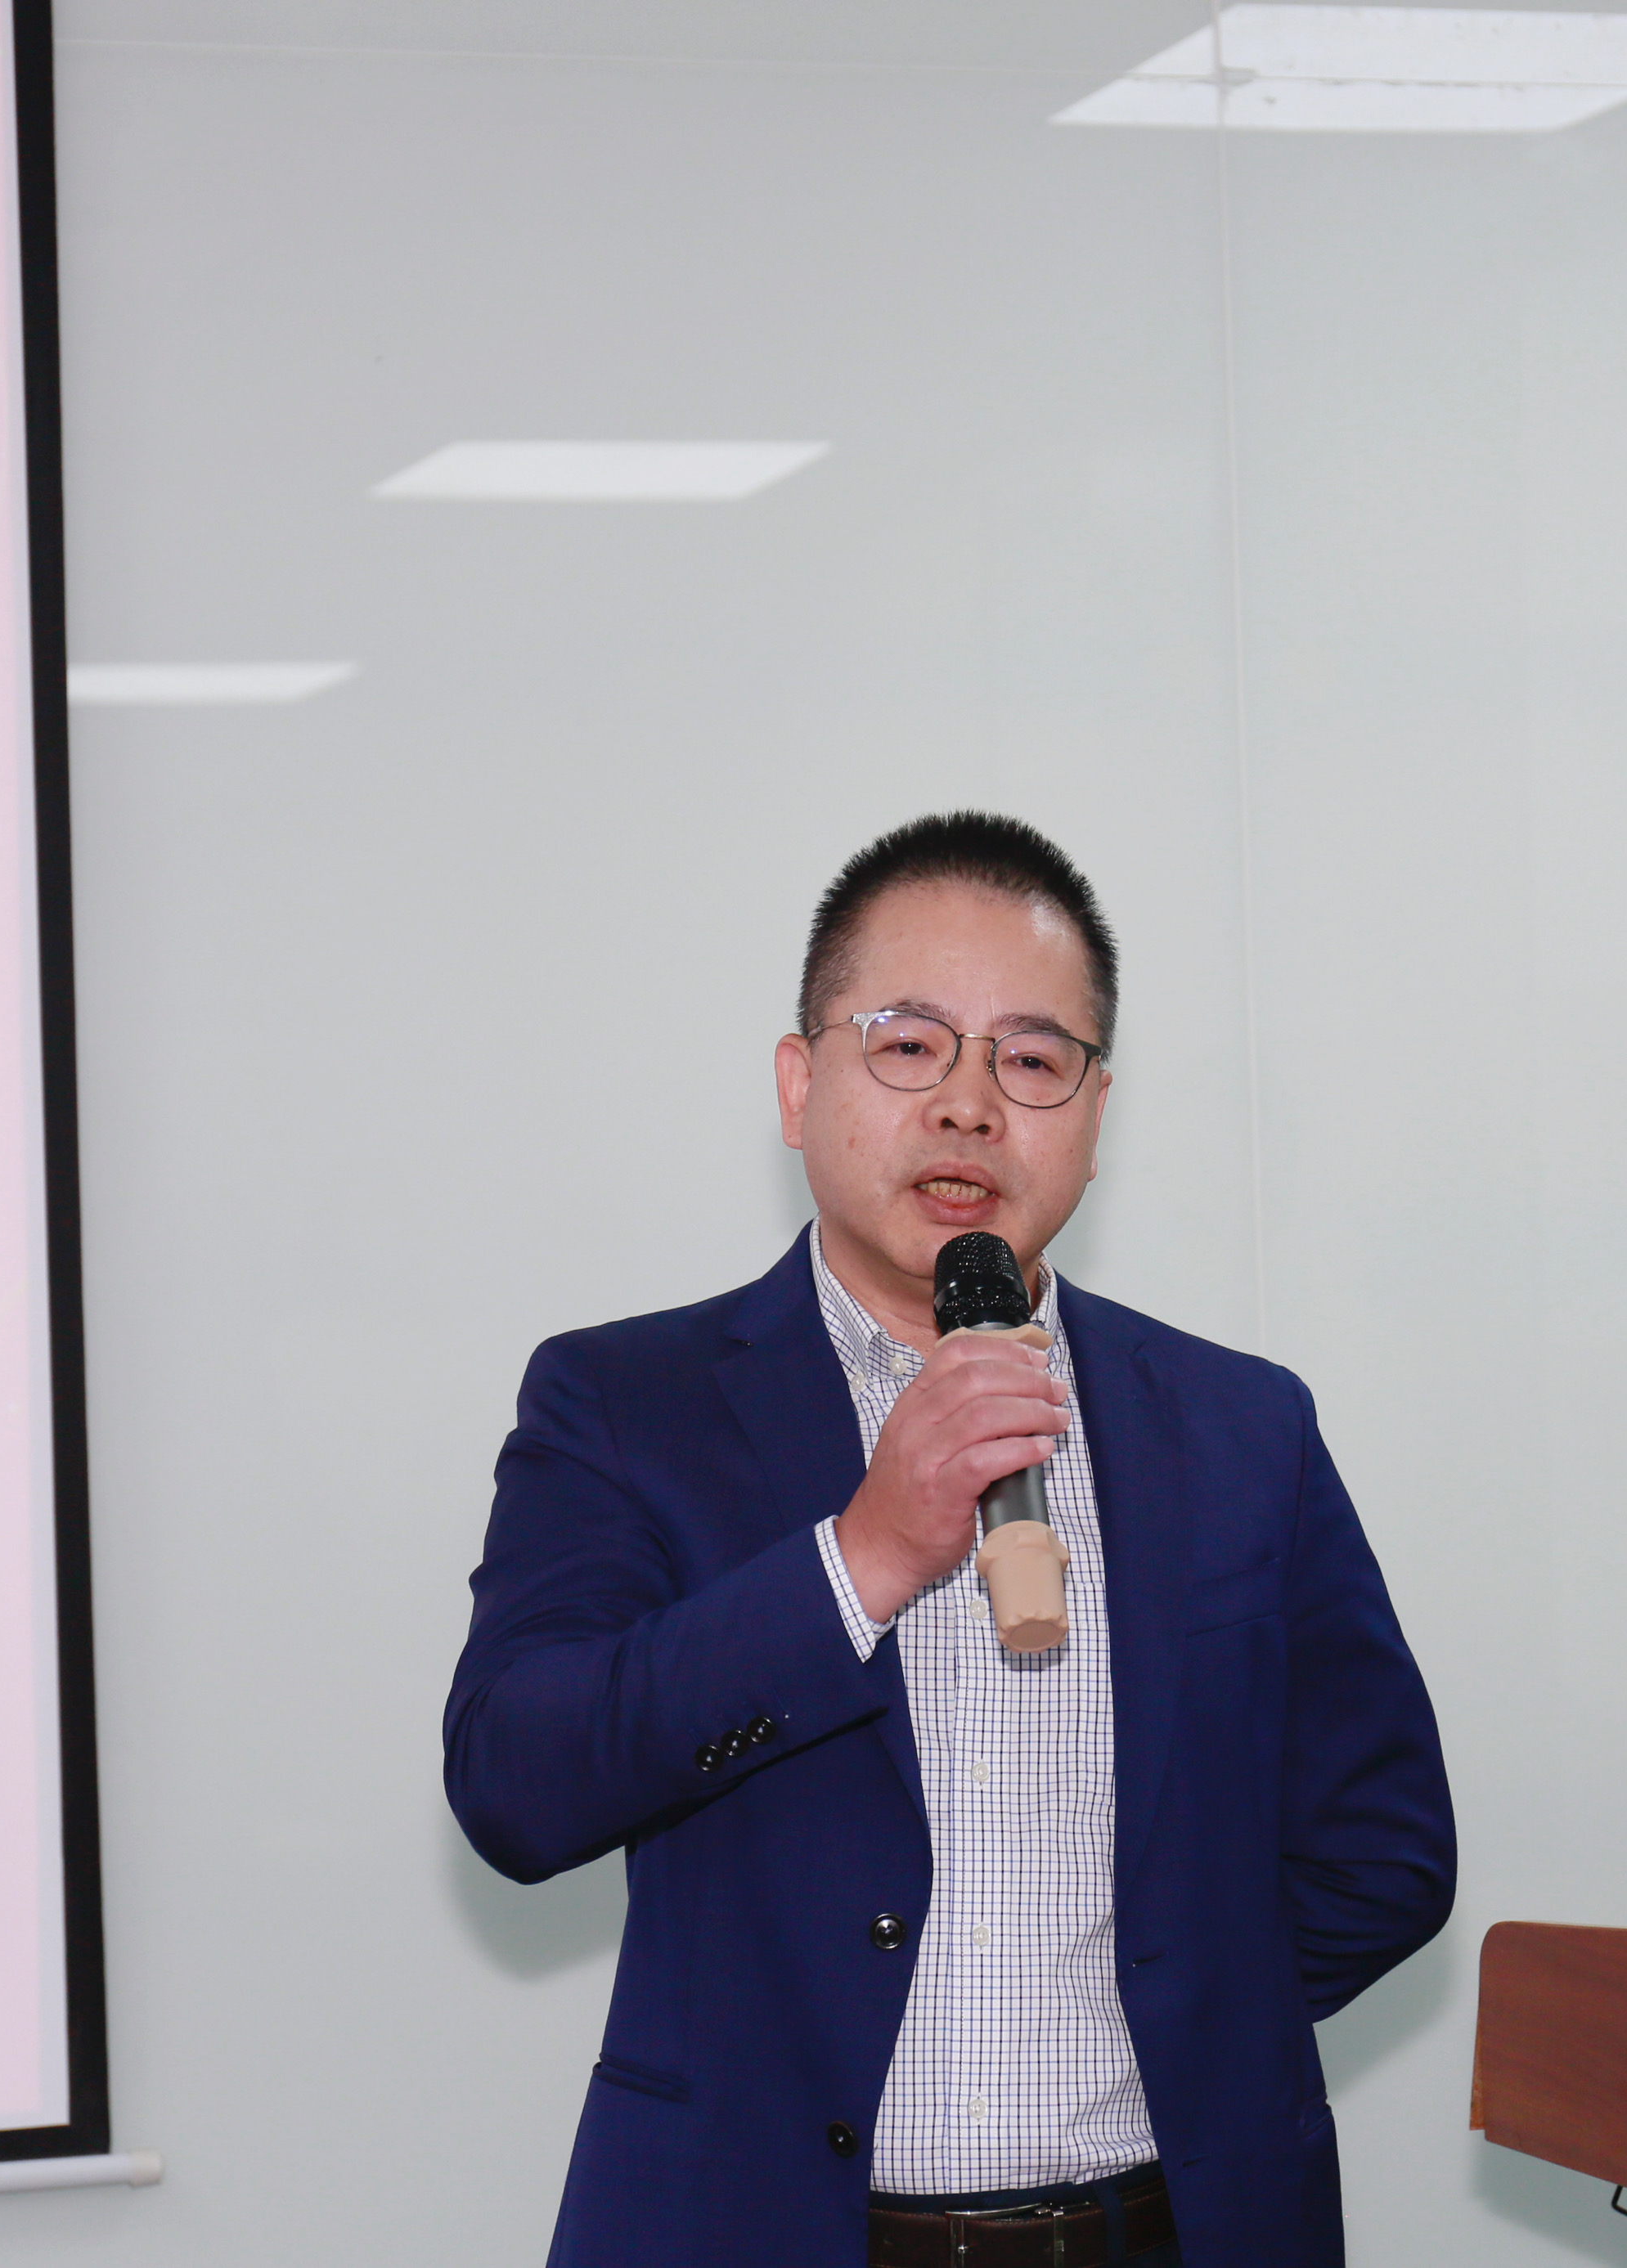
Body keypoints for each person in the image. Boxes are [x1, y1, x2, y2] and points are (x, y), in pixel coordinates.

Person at [445, 812, 1455, 2268]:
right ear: (800, 1084)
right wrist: (859, 1557)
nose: (972, 1106)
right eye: (911, 1045)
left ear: (1095, 1116)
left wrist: (1183, 2028)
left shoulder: (1243, 1427)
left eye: (1033, 1061)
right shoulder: (627, 1403)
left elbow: (1383, 1847)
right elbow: (517, 1783)